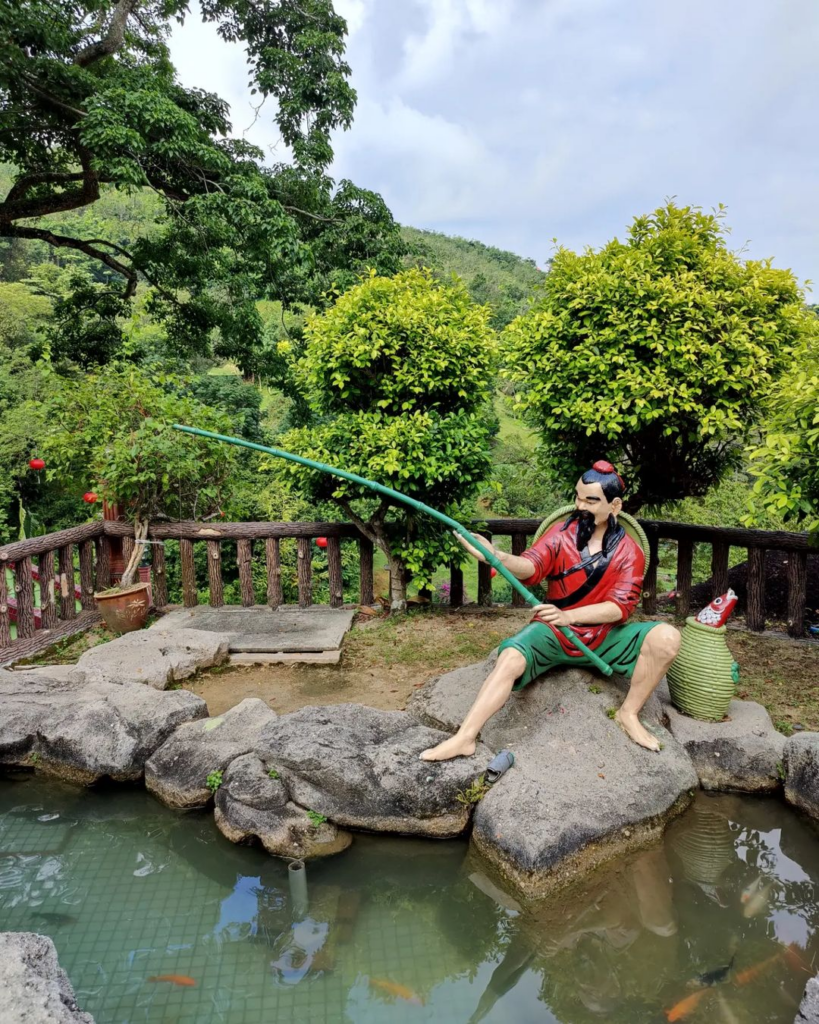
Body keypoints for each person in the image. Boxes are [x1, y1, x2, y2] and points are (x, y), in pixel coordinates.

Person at [420, 460, 680, 761]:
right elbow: (532, 566)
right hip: (554, 631)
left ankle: (629, 713)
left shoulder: (628, 552)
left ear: (615, 505)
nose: (580, 505)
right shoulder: (560, 535)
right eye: (578, 497)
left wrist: (571, 616)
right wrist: (497, 556)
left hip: (604, 636)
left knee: (667, 638)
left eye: (591, 500)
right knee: (511, 656)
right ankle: (465, 737)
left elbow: (619, 608)